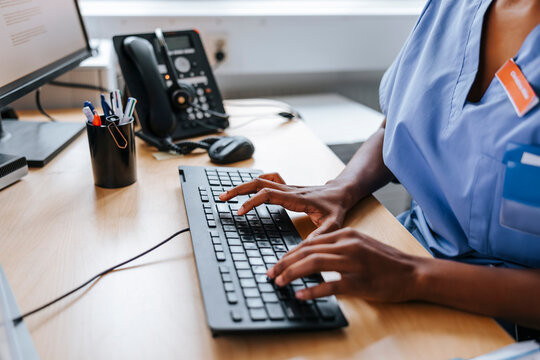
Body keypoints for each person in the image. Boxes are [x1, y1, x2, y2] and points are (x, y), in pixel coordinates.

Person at [220, 0, 540, 337]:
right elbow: (403, 121)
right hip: (406, 256)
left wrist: (416, 275)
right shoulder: (452, 7)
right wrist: (341, 187)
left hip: (505, 318)